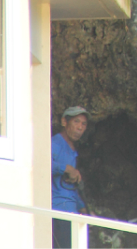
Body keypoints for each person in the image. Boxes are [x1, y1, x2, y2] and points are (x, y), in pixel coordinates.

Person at [52, 106, 89, 249]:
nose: (80, 127)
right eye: (76, 121)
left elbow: (71, 187)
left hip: (72, 213)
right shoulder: (55, 144)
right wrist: (66, 168)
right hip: (58, 212)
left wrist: (82, 207)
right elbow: (41, 164)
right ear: (64, 122)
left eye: (84, 124)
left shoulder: (72, 150)